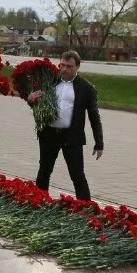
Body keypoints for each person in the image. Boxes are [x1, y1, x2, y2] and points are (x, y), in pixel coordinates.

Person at [28, 50, 104, 201]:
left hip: (72, 137)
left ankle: (85, 207)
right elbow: (37, 104)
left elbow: (94, 116)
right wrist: (31, 100)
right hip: (49, 134)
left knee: (77, 174)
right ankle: (39, 201)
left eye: (69, 66)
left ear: (77, 67)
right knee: (44, 171)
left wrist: (99, 142)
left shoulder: (86, 88)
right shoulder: (50, 81)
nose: (64, 69)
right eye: (62, 65)